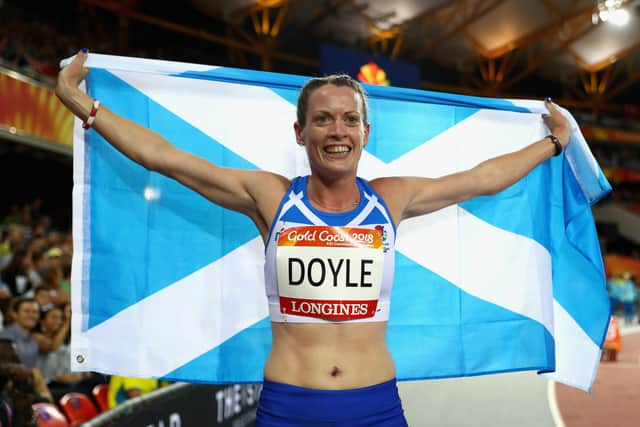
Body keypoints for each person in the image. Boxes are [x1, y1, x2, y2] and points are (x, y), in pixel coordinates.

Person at [56, 49, 571, 426]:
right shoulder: (271, 198)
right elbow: (165, 157)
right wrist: (81, 102)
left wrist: (551, 143)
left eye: (350, 119)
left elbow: (481, 178)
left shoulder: (391, 200)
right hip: (289, 408)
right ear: (300, 133)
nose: (337, 130)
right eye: (322, 119)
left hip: (375, 408)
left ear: (366, 133)